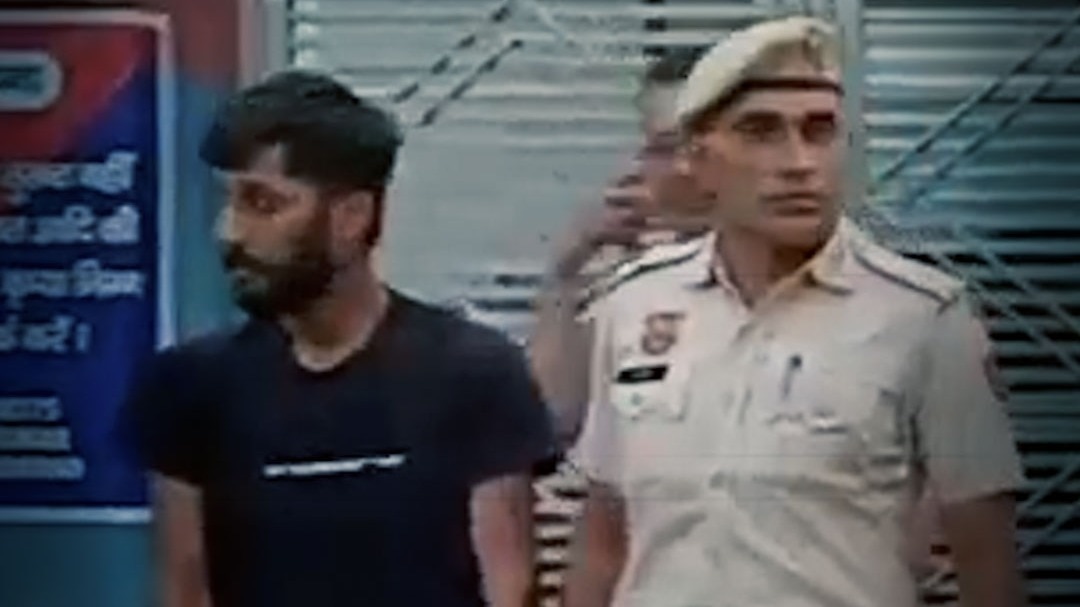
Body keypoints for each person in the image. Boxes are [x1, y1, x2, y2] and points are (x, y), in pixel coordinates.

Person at [561, 15, 1027, 607]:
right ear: (700, 160)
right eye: (761, 132)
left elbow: (986, 559)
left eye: (819, 131)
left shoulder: (923, 318)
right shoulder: (635, 304)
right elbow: (605, 536)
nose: (799, 163)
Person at [120, 70, 555, 607]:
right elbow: (185, 589)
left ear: (351, 217)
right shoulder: (190, 386)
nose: (229, 231)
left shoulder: (473, 373)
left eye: (264, 204)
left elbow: (509, 586)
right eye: (227, 201)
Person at [528, 51, 712, 446]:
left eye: (692, 146)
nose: (681, 168)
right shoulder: (626, 279)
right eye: (660, 148)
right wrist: (566, 272)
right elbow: (549, 421)